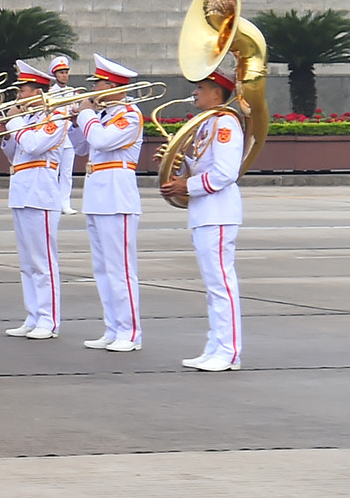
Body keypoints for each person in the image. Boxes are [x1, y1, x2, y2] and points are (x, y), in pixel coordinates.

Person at [160, 68, 247, 371]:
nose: (195, 92)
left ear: (217, 93)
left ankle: (229, 351)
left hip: (218, 211)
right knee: (213, 285)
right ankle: (216, 345)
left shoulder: (226, 123)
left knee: (221, 283)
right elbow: (199, 167)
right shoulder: (205, 124)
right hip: (204, 212)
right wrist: (176, 168)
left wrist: (186, 185)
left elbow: (225, 173)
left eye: (201, 87)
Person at [73, 55, 146, 353]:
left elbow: (102, 141)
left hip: (117, 197)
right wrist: (75, 120)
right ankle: (113, 327)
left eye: (99, 84)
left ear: (115, 86)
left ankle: (130, 332)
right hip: (97, 196)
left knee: (121, 270)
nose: (94, 89)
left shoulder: (129, 115)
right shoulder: (101, 115)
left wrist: (85, 115)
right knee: (103, 269)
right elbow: (81, 147)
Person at [3, 61, 68, 340]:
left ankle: (49, 319)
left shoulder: (57, 115)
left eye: (25, 90)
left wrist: (14, 121)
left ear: (39, 91)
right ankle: (33, 315)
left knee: (43, 262)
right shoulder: (28, 120)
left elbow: (32, 146)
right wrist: (9, 129)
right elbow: (13, 154)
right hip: (22, 191)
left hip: (41, 194)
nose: (20, 96)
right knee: (27, 262)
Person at [50, 54, 78, 214]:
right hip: (54, 137)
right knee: (53, 171)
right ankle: (54, 202)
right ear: (55, 75)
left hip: (69, 137)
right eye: (61, 72)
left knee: (67, 173)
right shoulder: (49, 93)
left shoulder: (73, 92)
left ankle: (65, 203)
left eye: (66, 72)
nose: (64, 75)